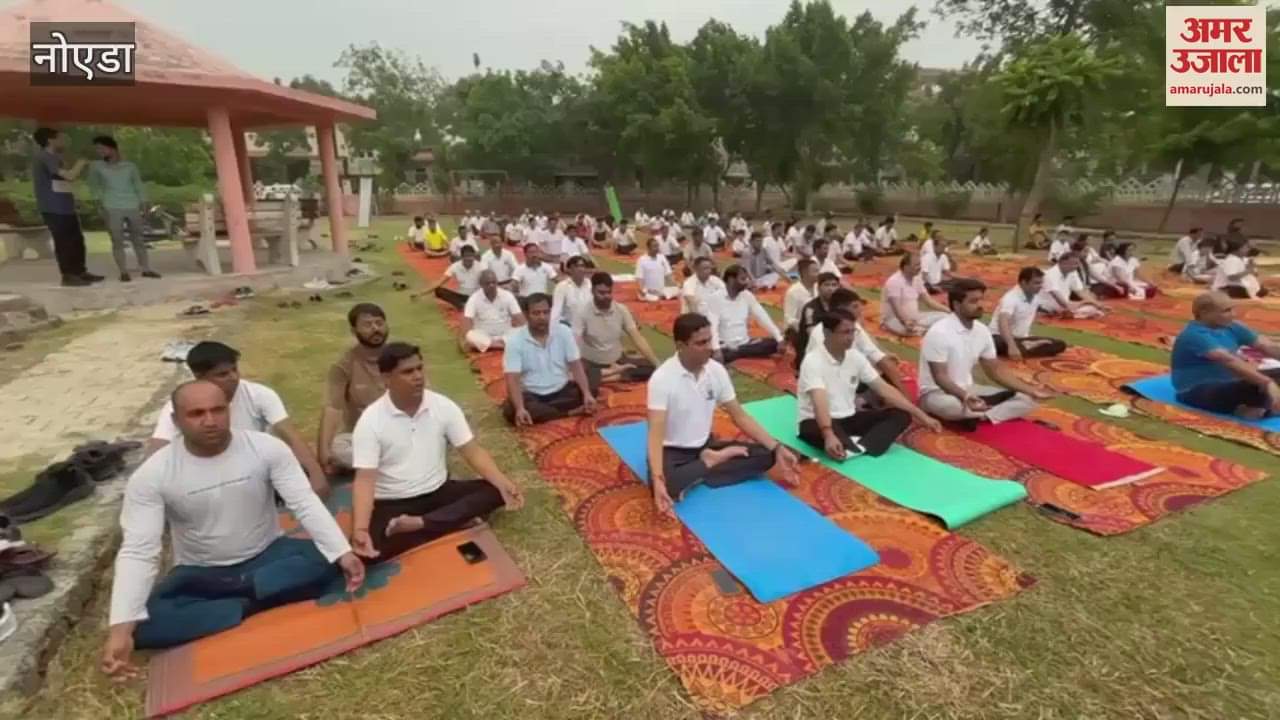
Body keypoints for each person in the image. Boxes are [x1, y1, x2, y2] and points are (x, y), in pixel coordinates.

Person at [101, 381, 363, 673]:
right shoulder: (153, 475)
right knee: (145, 624)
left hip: (269, 553)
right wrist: (120, 631)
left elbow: (305, 503)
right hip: (202, 573)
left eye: (218, 410)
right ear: (176, 421)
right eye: (197, 414)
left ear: (230, 410)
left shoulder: (265, 448)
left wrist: (342, 553)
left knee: (327, 558)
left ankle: (233, 604)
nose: (210, 421)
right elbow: (139, 550)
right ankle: (262, 597)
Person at [350, 343, 523, 563]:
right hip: (394, 502)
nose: (417, 376)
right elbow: (365, 480)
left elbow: (471, 451)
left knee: (495, 491)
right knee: (367, 553)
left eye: (419, 368)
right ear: (386, 378)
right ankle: (449, 521)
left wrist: (503, 481)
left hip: (438, 491)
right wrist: (361, 528)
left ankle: (421, 524)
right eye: (407, 372)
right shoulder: (371, 421)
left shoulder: (443, 406)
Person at [646, 313, 799, 517]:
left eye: (710, 339)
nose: (710, 347)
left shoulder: (716, 371)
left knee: (768, 454)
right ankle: (709, 463)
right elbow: (655, 433)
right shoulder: (662, 379)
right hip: (673, 452)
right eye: (701, 343)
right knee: (668, 484)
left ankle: (703, 466)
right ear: (681, 345)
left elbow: (739, 415)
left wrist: (776, 447)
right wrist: (657, 479)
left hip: (704, 445)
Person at [145, 340, 330, 496]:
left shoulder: (259, 394)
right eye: (222, 374)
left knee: (291, 464)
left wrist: (317, 475)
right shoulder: (181, 404)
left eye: (234, 369)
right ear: (199, 377)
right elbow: (157, 450)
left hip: (254, 469)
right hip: (204, 473)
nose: (233, 377)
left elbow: (291, 436)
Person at [798, 309, 941, 459]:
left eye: (853, 332)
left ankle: (858, 447)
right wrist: (828, 433)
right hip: (816, 420)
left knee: (901, 416)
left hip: (848, 417)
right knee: (829, 437)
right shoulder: (812, 361)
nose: (851, 337)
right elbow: (819, 400)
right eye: (845, 332)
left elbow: (884, 389)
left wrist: (922, 415)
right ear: (827, 333)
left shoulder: (855, 357)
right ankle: (856, 445)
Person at [918, 279, 1054, 426]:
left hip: (969, 390)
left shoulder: (982, 330)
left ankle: (979, 416)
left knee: (1028, 399)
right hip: (938, 393)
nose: (980, 305)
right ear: (957, 305)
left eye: (981, 300)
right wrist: (964, 396)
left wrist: (1030, 390)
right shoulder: (939, 332)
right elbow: (940, 377)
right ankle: (974, 414)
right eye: (973, 301)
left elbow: (995, 371)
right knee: (951, 406)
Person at [1170, 292, 1280, 419]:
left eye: (1233, 309)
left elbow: (1266, 346)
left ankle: (1260, 407)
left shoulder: (1233, 327)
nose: (1233, 314)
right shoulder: (1194, 335)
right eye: (1226, 311)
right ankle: (1255, 408)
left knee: (1260, 380)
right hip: (1194, 391)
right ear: (1205, 312)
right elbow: (1229, 361)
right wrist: (1266, 382)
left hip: (1230, 383)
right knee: (1253, 385)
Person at [502, 293, 599, 425]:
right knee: (511, 409)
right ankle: (570, 413)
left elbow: (576, 366)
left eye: (546, 312)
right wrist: (519, 408)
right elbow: (512, 379)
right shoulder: (515, 341)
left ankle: (553, 412)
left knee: (593, 378)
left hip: (562, 391)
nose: (542, 317)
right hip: (533, 395)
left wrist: (587, 393)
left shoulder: (564, 332)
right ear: (526, 315)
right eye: (536, 313)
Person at [802, 288, 910, 399]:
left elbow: (876, 356)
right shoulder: (821, 334)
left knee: (887, 371)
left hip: (851, 378)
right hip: (830, 388)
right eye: (855, 306)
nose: (860, 310)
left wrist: (905, 396)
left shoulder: (852, 325)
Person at [319, 304, 389, 474]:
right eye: (367, 325)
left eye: (379, 323)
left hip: (403, 431)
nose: (375, 329)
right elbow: (333, 408)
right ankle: (396, 462)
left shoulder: (401, 357)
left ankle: (383, 463)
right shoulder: (344, 365)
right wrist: (323, 451)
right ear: (354, 331)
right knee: (337, 447)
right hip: (366, 438)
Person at [31, 127, 99, 287]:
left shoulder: (56, 157)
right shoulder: (44, 157)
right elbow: (69, 175)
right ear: (50, 140)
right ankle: (68, 276)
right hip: (53, 207)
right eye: (60, 138)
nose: (63, 142)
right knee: (63, 241)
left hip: (66, 206)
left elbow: (63, 182)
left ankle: (80, 272)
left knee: (76, 240)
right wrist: (82, 162)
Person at [87, 136, 158, 282]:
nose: (99, 152)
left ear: (112, 148)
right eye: (97, 150)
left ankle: (146, 269)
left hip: (132, 204)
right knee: (117, 239)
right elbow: (93, 186)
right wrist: (98, 203)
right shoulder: (96, 166)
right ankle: (123, 271)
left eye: (102, 148)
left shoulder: (129, 166)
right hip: (111, 206)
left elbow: (138, 184)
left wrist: (144, 202)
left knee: (138, 238)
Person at [573, 272, 661, 384]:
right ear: (592, 292)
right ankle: (613, 375)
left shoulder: (621, 309)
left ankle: (613, 375)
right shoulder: (582, 313)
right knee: (578, 376)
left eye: (609, 292)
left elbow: (638, 339)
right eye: (601, 293)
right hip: (593, 364)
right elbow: (574, 343)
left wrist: (657, 365)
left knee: (650, 367)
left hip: (617, 361)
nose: (606, 296)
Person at [709, 265, 784, 364]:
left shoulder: (747, 296)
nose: (747, 282)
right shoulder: (715, 298)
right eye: (743, 279)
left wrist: (779, 338)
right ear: (731, 280)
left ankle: (737, 353)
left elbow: (762, 317)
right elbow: (712, 326)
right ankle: (734, 353)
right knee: (716, 354)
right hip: (724, 346)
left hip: (745, 343)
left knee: (773, 343)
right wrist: (716, 349)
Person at [989, 268, 1068, 360]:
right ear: (1023, 283)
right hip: (1000, 337)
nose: (1040, 286)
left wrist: (1054, 311)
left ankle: (1027, 345)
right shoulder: (1010, 298)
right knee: (999, 344)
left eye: (1041, 283)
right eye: (1036, 283)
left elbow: (1039, 306)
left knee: (1059, 345)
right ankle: (1025, 346)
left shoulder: (1035, 295)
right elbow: (1003, 322)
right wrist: (1012, 346)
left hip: (1022, 338)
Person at [881, 252, 950, 337]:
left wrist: (949, 311)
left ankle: (924, 329)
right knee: (910, 330)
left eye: (920, 264)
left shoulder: (917, 279)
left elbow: (929, 301)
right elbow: (897, 309)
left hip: (916, 318)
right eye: (916, 265)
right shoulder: (894, 281)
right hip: (895, 320)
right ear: (906, 267)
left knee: (945, 316)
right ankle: (924, 329)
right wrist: (906, 321)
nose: (919, 267)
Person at [461, 270, 526, 353]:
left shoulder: (507, 296)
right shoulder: (474, 298)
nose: (491, 285)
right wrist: (466, 337)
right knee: (470, 336)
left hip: (506, 334)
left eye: (494, 282)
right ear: (481, 285)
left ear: (497, 282)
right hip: (483, 335)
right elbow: (467, 321)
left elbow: (519, 318)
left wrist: (526, 332)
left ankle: (492, 346)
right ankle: (503, 345)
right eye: (487, 283)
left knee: (524, 331)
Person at [1037, 253, 1109, 319]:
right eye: (1073, 264)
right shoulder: (1050, 275)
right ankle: (1072, 314)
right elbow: (1062, 302)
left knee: (1093, 306)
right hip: (1050, 307)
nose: (1076, 266)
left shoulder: (1072, 273)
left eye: (1077, 264)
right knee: (1091, 308)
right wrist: (1085, 302)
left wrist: (1098, 304)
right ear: (1062, 263)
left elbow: (1081, 292)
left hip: (1066, 306)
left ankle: (1074, 314)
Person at [422, 245, 484, 311]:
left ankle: (468, 305)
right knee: (439, 290)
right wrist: (421, 293)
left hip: (475, 295)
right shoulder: (455, 266)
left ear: (474, 256)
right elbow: (440, 281)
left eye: (471, 256)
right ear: (462, 257)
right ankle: (461, 305)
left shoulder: (480, 266)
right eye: (466, 256)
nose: (469, 258)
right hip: (461, 295)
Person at [550, 255, 593, 326]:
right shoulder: (562, 286)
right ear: (569, 270)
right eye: (576, 266)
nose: (580, 269)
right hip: (568, 326)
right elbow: (556, 310)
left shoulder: (591, 285)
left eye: (582, 266)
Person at [783, 258, 818, 337]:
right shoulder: (793, 292)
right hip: (800, 331)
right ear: (805, 273)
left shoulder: (818, 288)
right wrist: (806, 327)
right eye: (815, 271)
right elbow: (789, 319)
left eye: (818, 271)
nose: (818, 274)